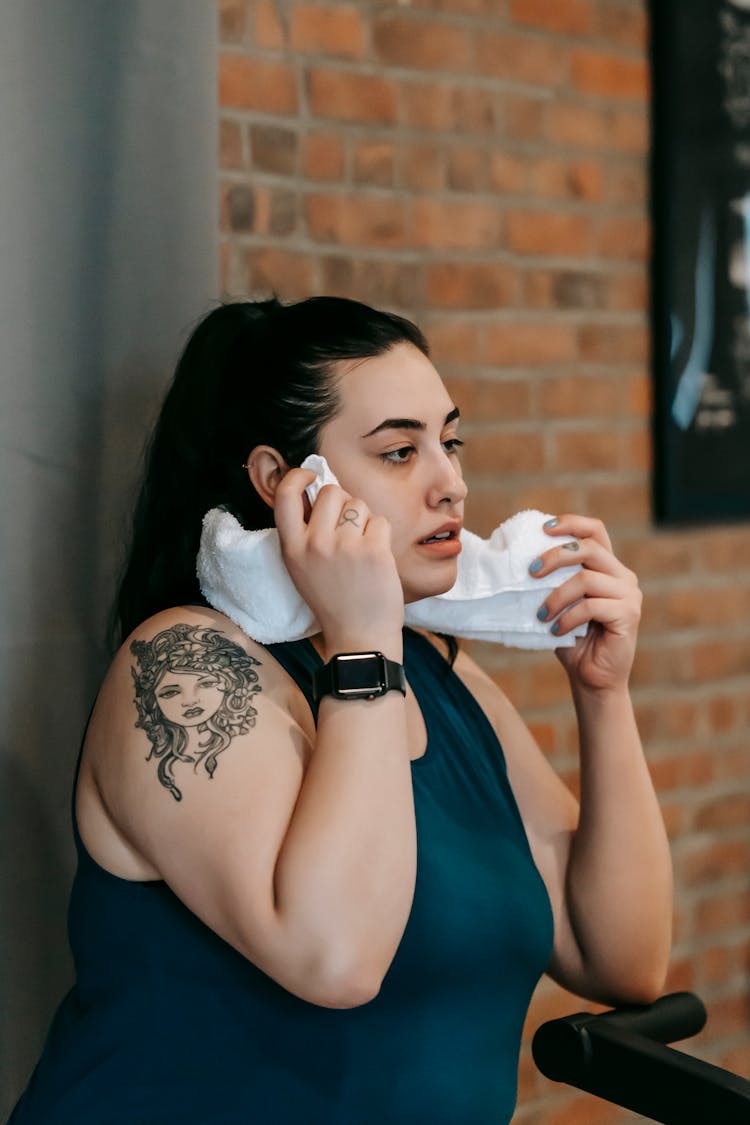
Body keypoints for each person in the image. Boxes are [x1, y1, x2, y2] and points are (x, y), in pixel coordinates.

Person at [10, 296, 673, 1125]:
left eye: (450, 441)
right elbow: (336, 957)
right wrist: (362, 636)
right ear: (280, 484)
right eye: (400, 451)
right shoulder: (183, 659)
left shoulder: (442, 677)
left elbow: (624, 958)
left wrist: (601, 694)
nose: (452, 484)